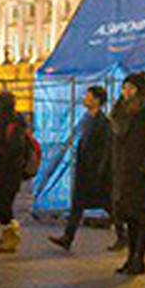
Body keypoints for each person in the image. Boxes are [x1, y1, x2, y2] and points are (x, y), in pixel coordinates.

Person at [49, 86, 114, 252]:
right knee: (79, 204)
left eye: (89, 96)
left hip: (96, 171)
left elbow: (104, 149)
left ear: (97, 100)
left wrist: (98, 170)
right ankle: (68, 238)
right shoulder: (87, 118)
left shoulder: (103, 122)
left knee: (107, 204)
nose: (85, 99)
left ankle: (123, 235)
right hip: (85, 169)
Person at [110, 71, 145, 276]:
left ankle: (140, 259)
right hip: (123, 171)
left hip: (140, 173)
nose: (126, 91)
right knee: (129, 216)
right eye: (124, 87)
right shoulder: (120, 113)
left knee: (142, 217)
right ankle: (131, 258)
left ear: (139, 90)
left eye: (130, 88)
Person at [0, 91, 29, 254]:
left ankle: (11, 235)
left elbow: (14, 149)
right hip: (1, 171)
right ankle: (8, 234)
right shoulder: (5, 124)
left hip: (8, 172)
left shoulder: (12, 125)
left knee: (1, 205)